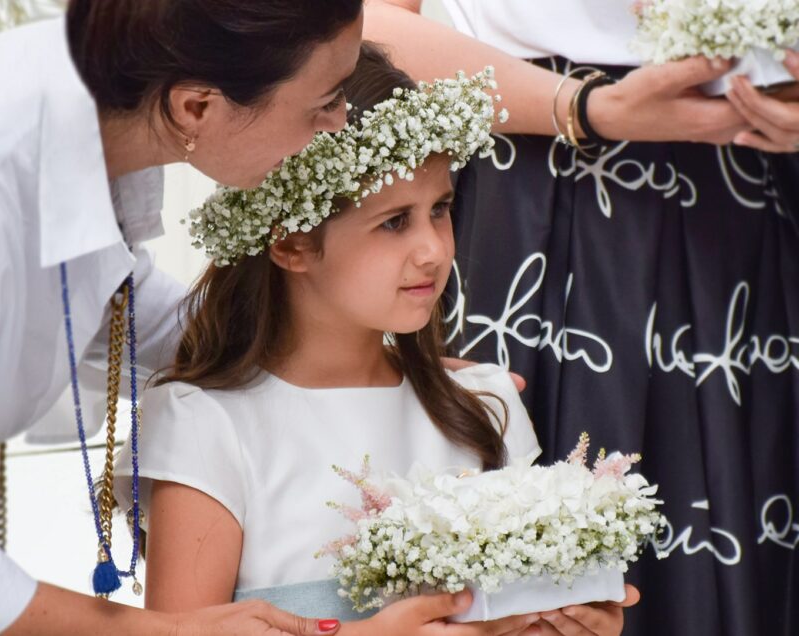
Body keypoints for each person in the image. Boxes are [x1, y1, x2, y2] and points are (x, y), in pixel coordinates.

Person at [0, 1, 374, 634]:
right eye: (327, 103)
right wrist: (175, 630)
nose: (342, 127)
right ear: (196, 107)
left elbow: (108, 287)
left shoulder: (99, 105)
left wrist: (337, 354)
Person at [114, 44, 641, 636]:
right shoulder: (207, 425)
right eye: (394, 221)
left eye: (440, 209)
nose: (436, 250)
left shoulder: (484, 403)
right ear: (290, 242)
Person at [364, 2, 799, 635]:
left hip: (746, 189)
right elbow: (357, 26)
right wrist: (584, 108)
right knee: (515, 563)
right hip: (531, 162)